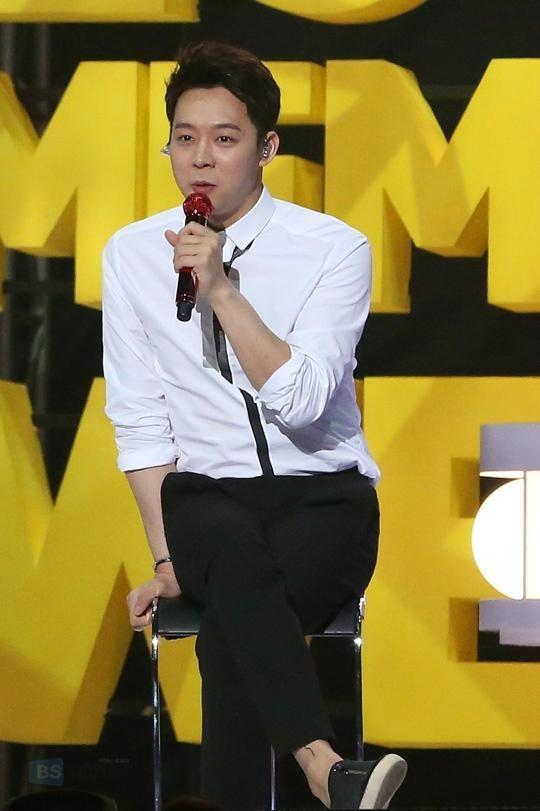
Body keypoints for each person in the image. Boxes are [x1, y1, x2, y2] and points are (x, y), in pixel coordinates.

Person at [102, 40, 407, 811]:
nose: (200, 158)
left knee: (234, 620)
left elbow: (303, 400)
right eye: (184, 137)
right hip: (207, 501)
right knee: (230, 552)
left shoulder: (333, 249)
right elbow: (140, 419)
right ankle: (325, 766)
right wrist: (167, 558)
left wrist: (223, 292)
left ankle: (287, 780)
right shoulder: (131, 254)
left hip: (323, 498)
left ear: (267, 149)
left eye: (225, 138)